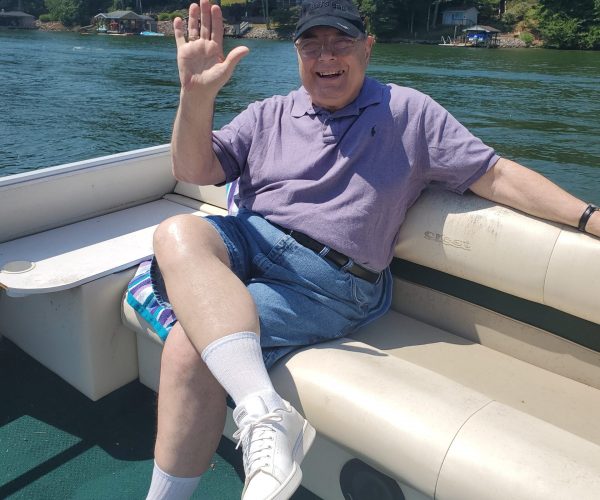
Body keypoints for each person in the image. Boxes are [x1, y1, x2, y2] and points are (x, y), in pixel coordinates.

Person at [143, 1, 600, 499]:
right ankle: (265, 413)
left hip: (329, 281)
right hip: (251, 238)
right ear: (297, 53)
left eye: (340, 42)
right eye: (311, 44)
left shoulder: (409, 113)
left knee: (190, 348)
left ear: (367, 47)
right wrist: (195, 94)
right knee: (176, 231)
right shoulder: (269, 113)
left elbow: (496, 174)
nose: (326, 56)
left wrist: (589, 217)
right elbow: (193, 170)